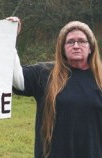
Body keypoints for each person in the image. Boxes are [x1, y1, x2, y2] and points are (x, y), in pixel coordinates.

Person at [8, 17, 102, 158]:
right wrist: (8, 37)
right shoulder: (44, 73)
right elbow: (17, 79)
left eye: (82, 41)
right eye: (70, 42)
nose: (76, 45)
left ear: (91, 47)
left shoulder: (99, 79)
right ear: (62, 48)